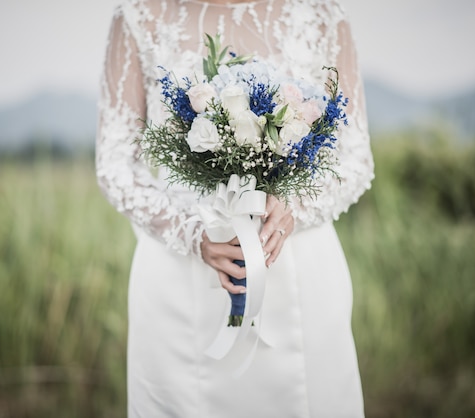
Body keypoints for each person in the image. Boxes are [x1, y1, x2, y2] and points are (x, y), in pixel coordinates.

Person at [96, 0, 374, 416]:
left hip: (298, 268)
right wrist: (191, 232)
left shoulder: (322, 15)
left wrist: (295, 204)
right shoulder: (138, 16)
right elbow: (115, 164)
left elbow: (354, 158)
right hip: (179, 282)